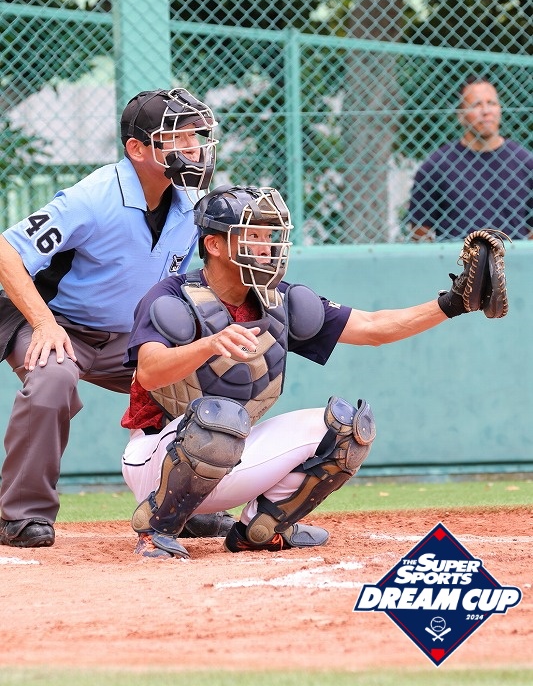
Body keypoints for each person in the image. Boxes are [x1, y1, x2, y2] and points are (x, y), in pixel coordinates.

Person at [120, 184, 488, 560]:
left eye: (269, 236)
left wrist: (453, 304)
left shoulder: (279, 300)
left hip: (230, 454)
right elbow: (149, 372)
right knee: (220, 419)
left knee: (347, 428)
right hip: (156, 460)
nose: (266, 246)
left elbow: (374, 328)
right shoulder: (172, 296)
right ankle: (157, 528)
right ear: (213, 245)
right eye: (252, 236)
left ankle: (260, 529)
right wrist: (208, 345)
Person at [0, 86, 234, 549]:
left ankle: (180, 507)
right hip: (55, 323)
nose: (193, 147)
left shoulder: (191, 203)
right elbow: (6, 251)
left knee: (197, 382)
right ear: (137, 149)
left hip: (126, 334)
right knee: (52, 380)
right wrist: (44, 324)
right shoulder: (93, 196)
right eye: (178, 137)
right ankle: (21, 516)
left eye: (196, 135)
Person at [407, 75, 533, 241]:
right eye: (476, 105)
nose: (486, 111)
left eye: (491, 103)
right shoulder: (437, 166)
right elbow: (420, 229)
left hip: (511, 257)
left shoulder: (525, 162)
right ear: (461, 115)